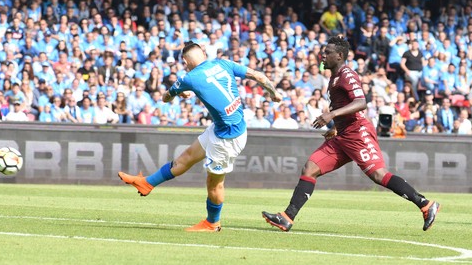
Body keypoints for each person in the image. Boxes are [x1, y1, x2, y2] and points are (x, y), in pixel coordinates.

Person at [262, 36, 440, 233]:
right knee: (310, 168)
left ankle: (425, 204)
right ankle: (287, 218)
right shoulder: (335, 77)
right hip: (343, 135)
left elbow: (361, 102)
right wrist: (337, 127)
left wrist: (332, 115)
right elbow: (348, 105)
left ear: (339, 55)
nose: (323, 55)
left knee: (379, 175)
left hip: (358, 133)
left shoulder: (347, 74)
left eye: (327, 52)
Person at [118, 41, 282, 232]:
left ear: (187, 60)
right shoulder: (223, 63)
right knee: (186, 158)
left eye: (185, 62)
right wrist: (273, 93)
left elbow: (165, 98)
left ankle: (213, 223)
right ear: (203, 54)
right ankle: (147, 183)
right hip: (223, 128)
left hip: (228, 138)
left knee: (214, 184)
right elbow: (257, 75)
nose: (186, 66)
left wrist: (180, 94)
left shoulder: (189, 78)